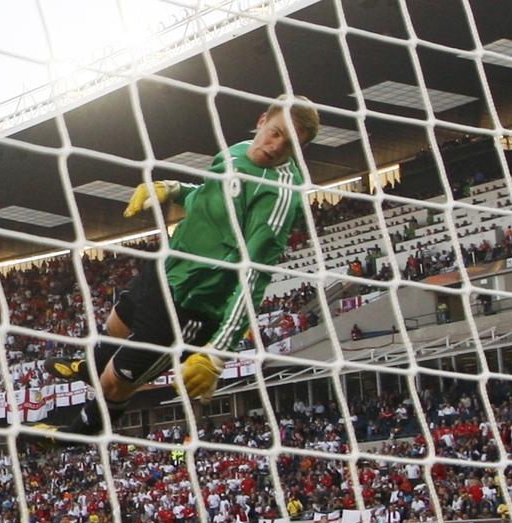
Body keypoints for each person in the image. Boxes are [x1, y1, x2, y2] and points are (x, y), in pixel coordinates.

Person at [37, 96, 320, 440]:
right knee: (116, 324)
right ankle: (89, 368)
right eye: (275, 133)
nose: (277, 146)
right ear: (262, 120)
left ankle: (77, 434)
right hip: (169, 267)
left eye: (291, 145)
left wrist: (216, 355)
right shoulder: (238, 150)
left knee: (115, 383)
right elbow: (210, 193)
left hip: (193, 302)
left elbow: (254, 276)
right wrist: (171, 189)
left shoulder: (277, 194)